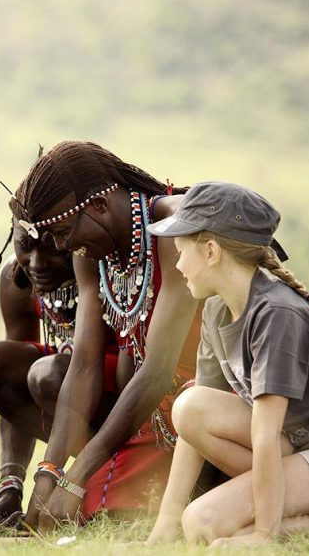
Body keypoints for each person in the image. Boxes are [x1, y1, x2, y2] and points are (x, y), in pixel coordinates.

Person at [145, 182, 309, 546]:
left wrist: (263, 536)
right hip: (302, 443)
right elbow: (203, 417)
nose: (177, 264)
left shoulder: (278, 314)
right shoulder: (218, 307)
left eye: (180, 251)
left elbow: (265, 434)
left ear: (210, 251)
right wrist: (164, 524)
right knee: (190, 407)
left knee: (204, 523)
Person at [10, 141, 203, 531]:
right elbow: (83, 366)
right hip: (151, 417)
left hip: (209, 408)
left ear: (98, 206)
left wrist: (76, 476)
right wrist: (49, 471)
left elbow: (159, 369)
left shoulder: (173, 225)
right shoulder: (91, 253)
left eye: (63, 232)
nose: (63, 248)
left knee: (104, 508)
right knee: (89, 513)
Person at [0, 221, 127, 526]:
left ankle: (97, 474)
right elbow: (12, 392)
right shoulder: (17, 280)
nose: (37, 263)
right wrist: (9, 486)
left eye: (51, 248)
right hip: (63, 393)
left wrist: (50, 472)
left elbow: (86, 369)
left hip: (122, 399)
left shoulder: (105, 267)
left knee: (48, 375)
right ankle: (29, 485)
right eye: (26, 246)